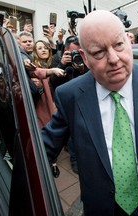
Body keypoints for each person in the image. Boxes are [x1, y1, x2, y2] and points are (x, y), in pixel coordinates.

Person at [42, 10, 138, 216]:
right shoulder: (70, 96)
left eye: (118, 45)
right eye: (99, 52)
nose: (114, 59)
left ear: (128, 40)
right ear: (84, 57)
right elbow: (40, 149)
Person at [50, 35, 88, 174]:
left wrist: (82, 67)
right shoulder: (57, 58)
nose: (75, 55)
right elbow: (52, 82)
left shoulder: (83, 58)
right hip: (67, 101)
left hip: (83, 98)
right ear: (66, 50)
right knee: (71, 131)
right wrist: (61, 64)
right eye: (73, 52)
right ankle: (74, 161)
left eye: (78, 52)